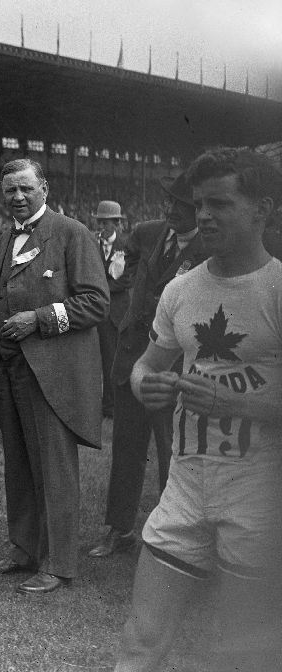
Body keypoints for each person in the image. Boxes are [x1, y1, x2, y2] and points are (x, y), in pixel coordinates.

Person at [101, 148, 282, 672]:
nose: (203, 215)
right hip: (184, 493)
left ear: (263, 210)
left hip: (258, 504)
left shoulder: (278, 289)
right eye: (199, 204)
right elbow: (148, 365)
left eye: (220, 203)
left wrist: (235, 402)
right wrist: (142, 383)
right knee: (140, 641)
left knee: (245, 659)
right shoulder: (182, 290)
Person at [0, 159, 108, 594]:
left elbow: (95, 303)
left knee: (54, 468)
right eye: (9, 190)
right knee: (17, 463)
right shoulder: (3, 239)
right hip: (8, 369)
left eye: (25, 188)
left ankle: (58, 563)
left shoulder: (73, 233)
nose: (17, 196)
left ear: (44, 188)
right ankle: (24, 549)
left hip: (50, 374)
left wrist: (39, 318)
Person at [88, 177, 206, 558]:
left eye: (181, 205)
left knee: (173, 453)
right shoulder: (150, 232)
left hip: (175, 369)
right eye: (169, 202)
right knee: (126, 449)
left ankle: (174, 537)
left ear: (199, 210)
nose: (170, 210)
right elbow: (121, 276)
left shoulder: (211, 247)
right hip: (133, 361)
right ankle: (119, 529)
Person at [92, 200, 132, 417]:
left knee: (113, 361)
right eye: (100, 222)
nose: (103, 227)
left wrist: (100, 290)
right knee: (92, 360)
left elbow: (126, 279)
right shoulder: (91, 243)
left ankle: (111, 406)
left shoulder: (126, 246)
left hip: (116, 313)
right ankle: (98, 404)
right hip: (94, 312)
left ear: (117, 223)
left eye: (107, 223)